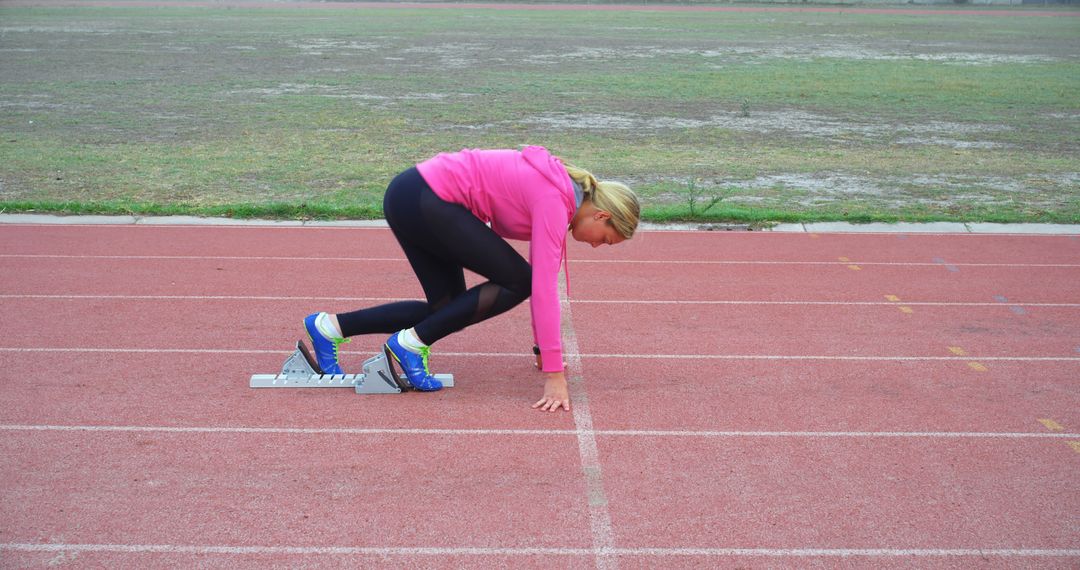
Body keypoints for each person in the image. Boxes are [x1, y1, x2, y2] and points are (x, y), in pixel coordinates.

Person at [303, 146, 639, 412]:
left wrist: (542, 349)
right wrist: (554, 376)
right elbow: (541, 289)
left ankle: (330, 327)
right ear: (602, 215)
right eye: (604, 239)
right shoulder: (555, 199)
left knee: (448, 309)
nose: (596, 245)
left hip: (412, 194)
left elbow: (544, 279)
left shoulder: (559, 194)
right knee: (519, 281)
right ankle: (409, 344)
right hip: (426, 197)